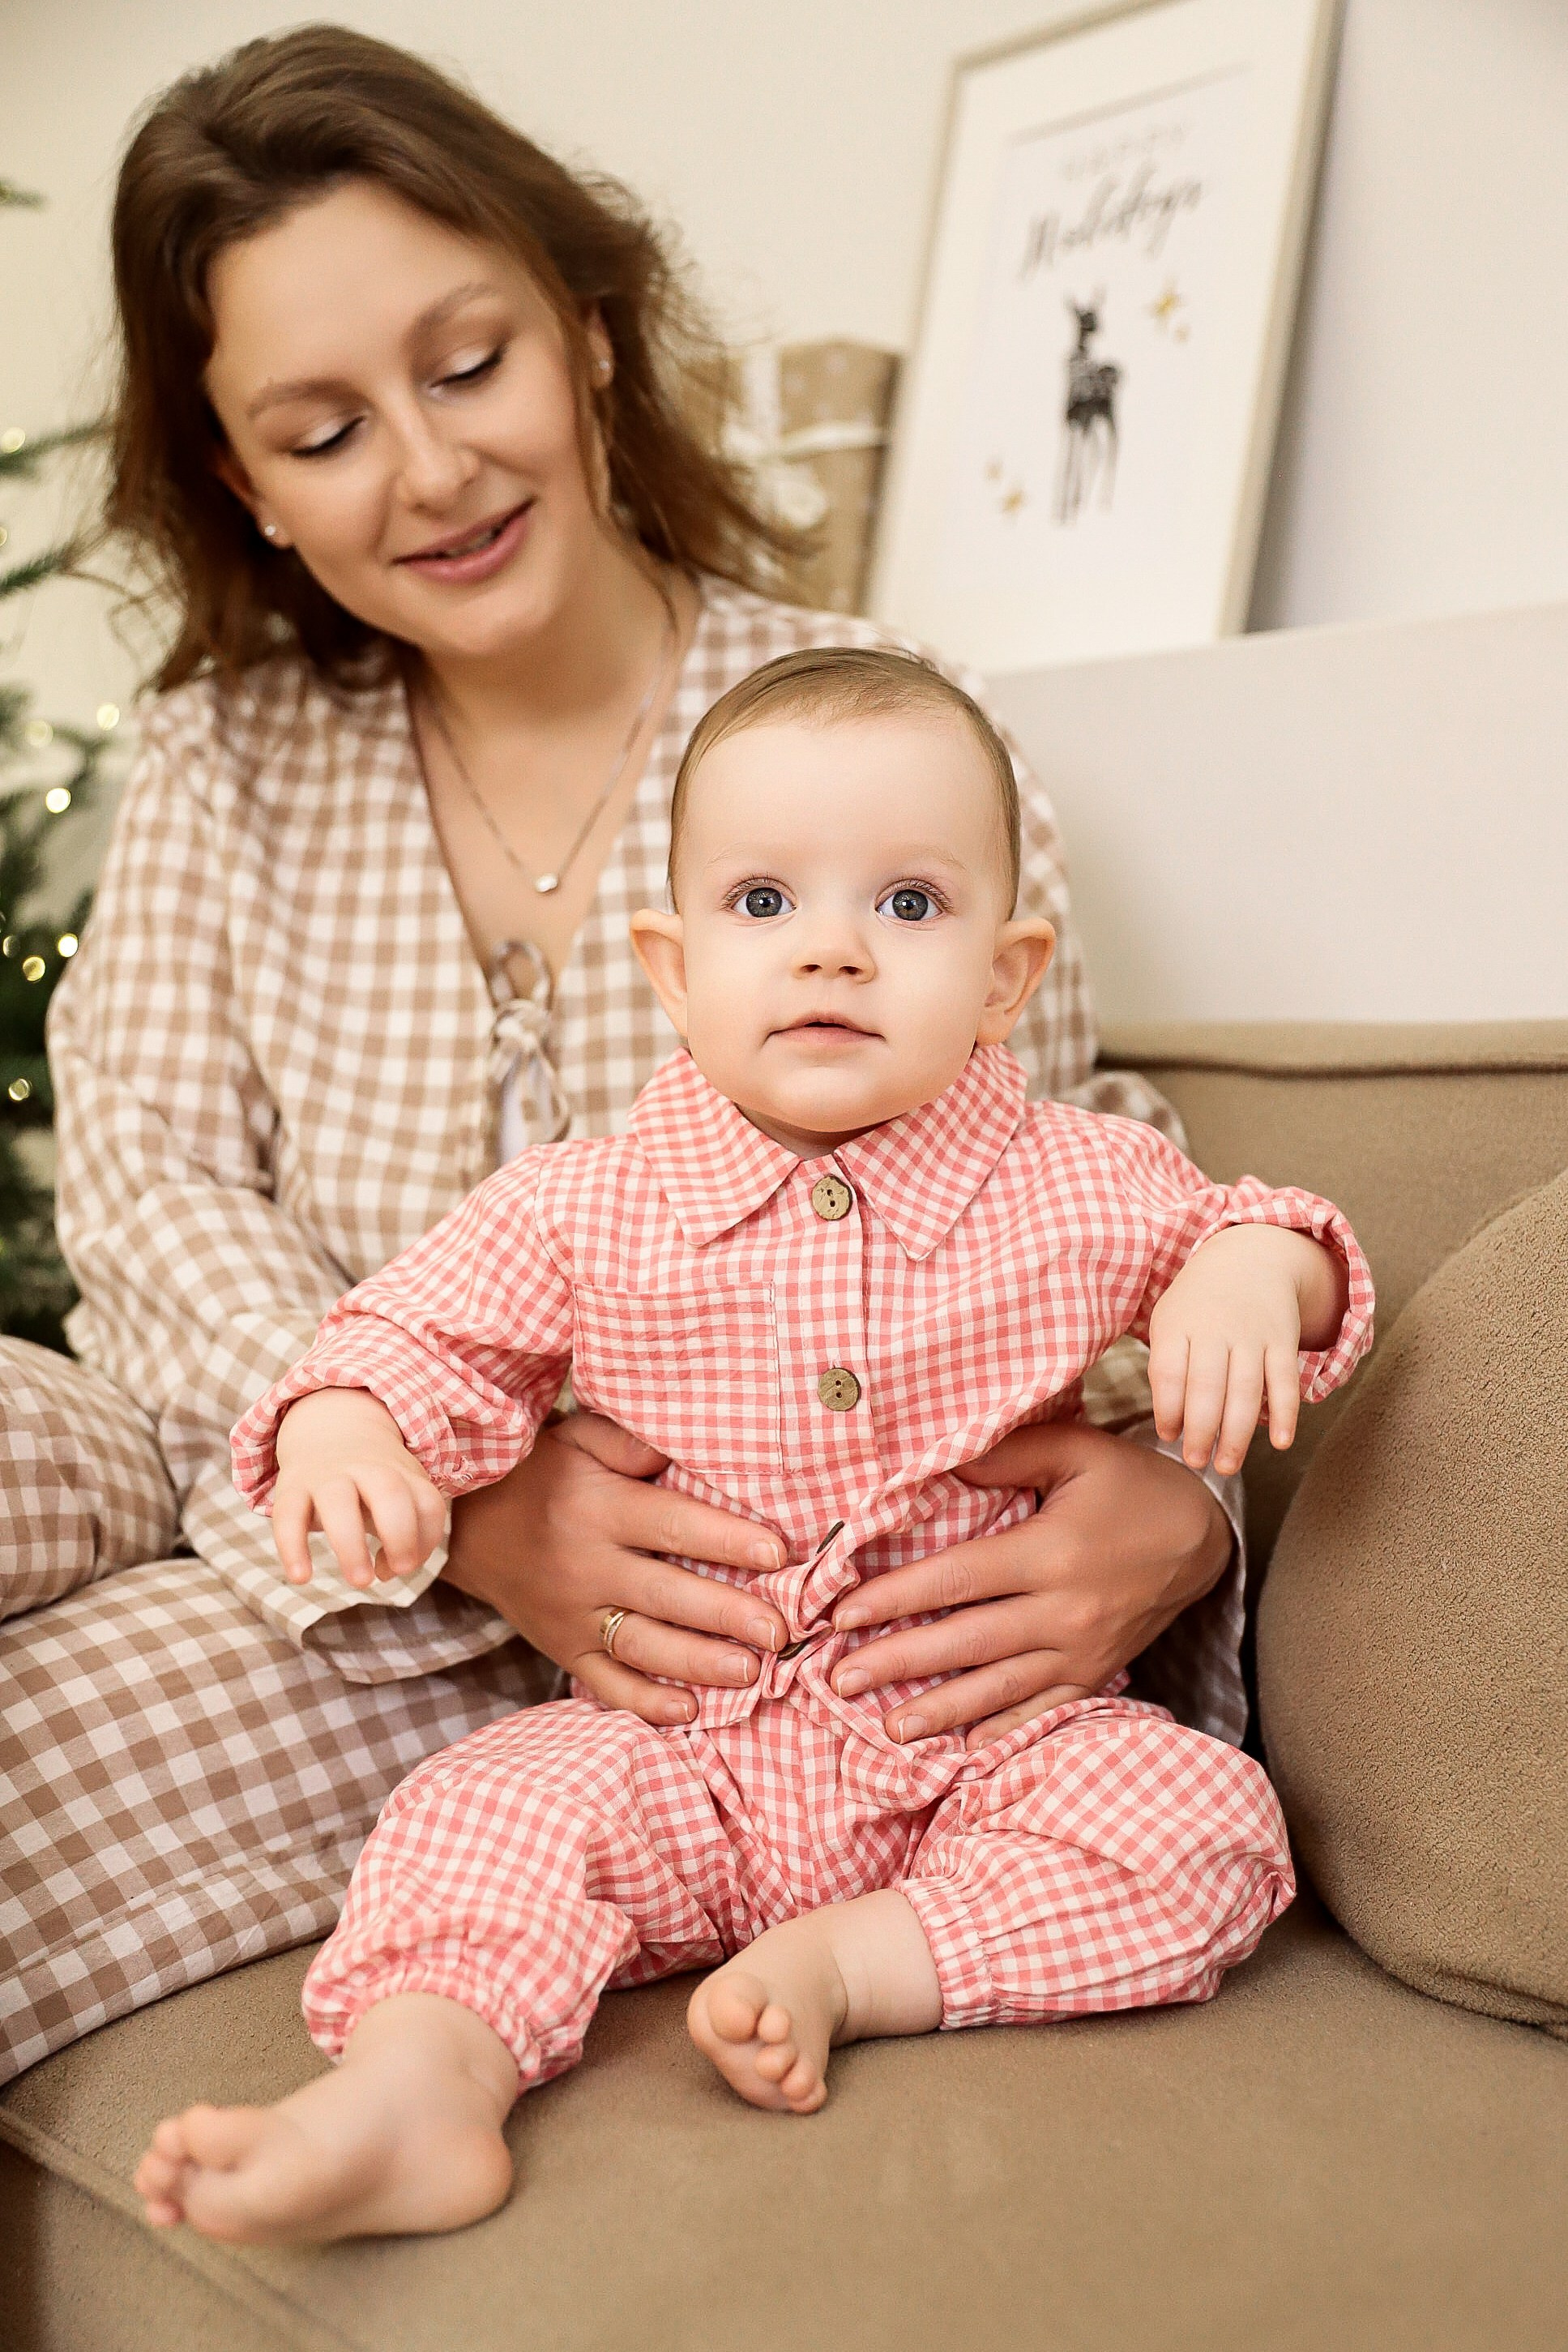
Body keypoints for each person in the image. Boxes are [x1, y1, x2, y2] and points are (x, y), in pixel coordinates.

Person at [3, 28, 1241, 2085]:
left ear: (583, 333)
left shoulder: (864, 742)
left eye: (463, 362)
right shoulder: (226, 762)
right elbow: (142, 1195)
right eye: (319, 430)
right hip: (312, 1470)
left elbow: (1057, 1182)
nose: (422, 468)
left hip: (648, 1641)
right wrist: (443, 1480)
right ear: (244, 484)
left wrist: (1180, 1492)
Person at [135, 648, 1373, 2242]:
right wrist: (348, 1422)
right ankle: (418, 2082)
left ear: (1007, 975)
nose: (834, 952)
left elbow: (1276, 1234)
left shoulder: (1073, 1180)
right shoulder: (582, 1204)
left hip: (980, 1752)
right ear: (668, 962)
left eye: (908, 907)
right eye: (763, 903)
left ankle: (860, 1963)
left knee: (1205, 1827)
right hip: (679, 1751)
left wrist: (1243, 1281)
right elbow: (407, 1333)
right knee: (482, 1811)